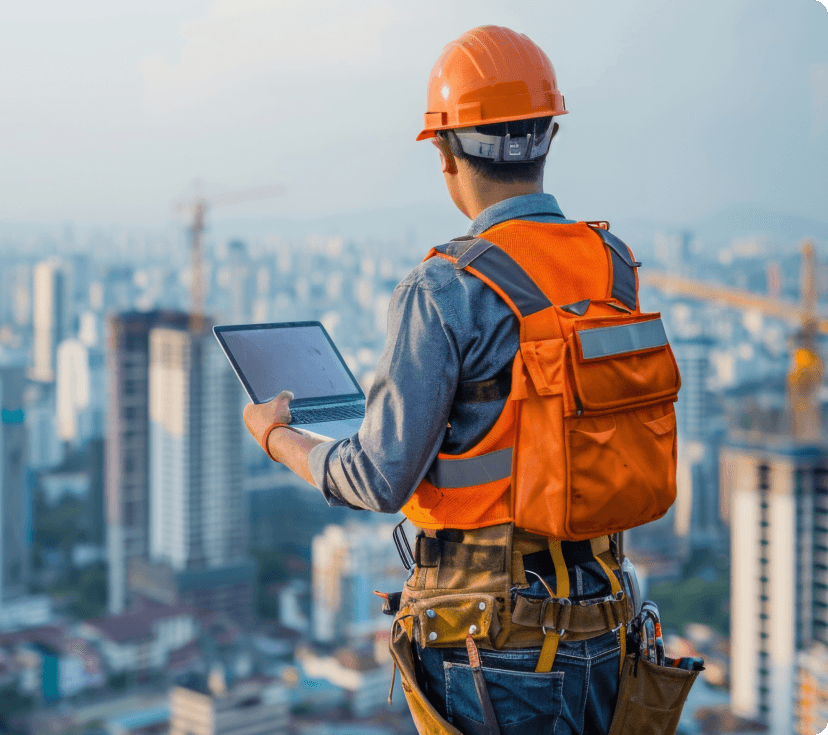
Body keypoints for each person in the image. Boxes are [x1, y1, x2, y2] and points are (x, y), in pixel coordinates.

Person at [243, 25, 644, 735]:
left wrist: (279, 439)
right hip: (607, 630)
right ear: (548, 136)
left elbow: (378, 479)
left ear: (445, 154)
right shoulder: (612, 264)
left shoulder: (444, 287)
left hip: (501, 648)